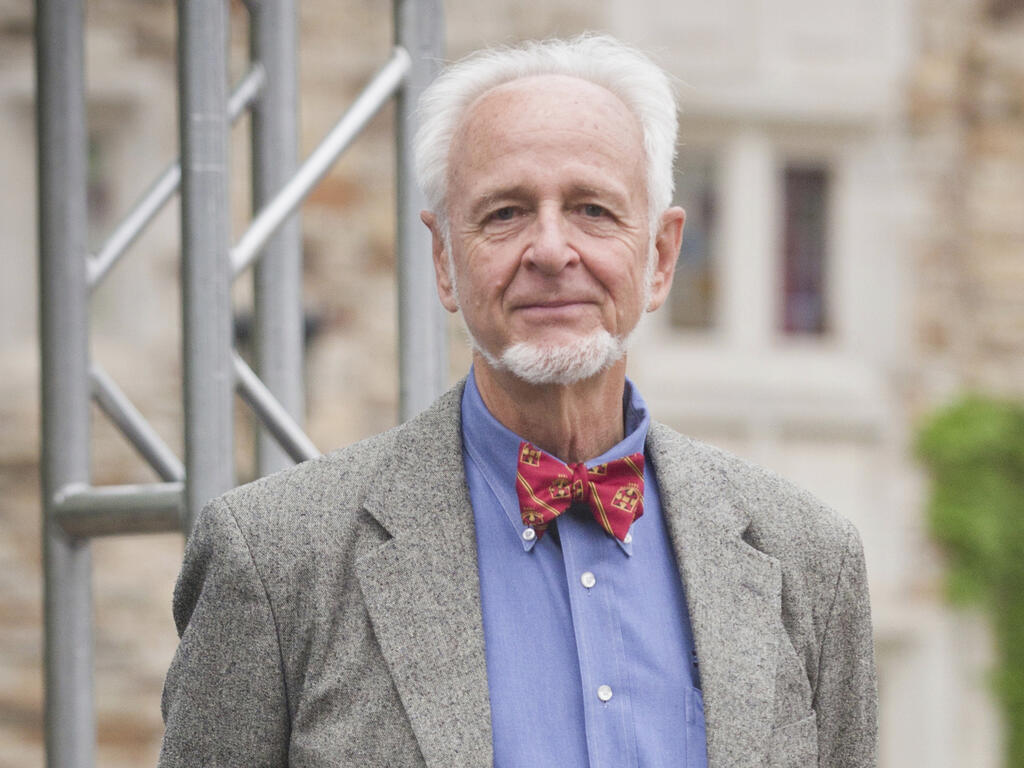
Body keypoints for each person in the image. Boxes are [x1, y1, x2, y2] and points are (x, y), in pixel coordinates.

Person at [159, 34, 877, 768]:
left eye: (594, 209)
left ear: (660, 258)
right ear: (444, 261)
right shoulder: (276, 560)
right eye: (504, 213)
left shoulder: (811, 561)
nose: (551, 250)